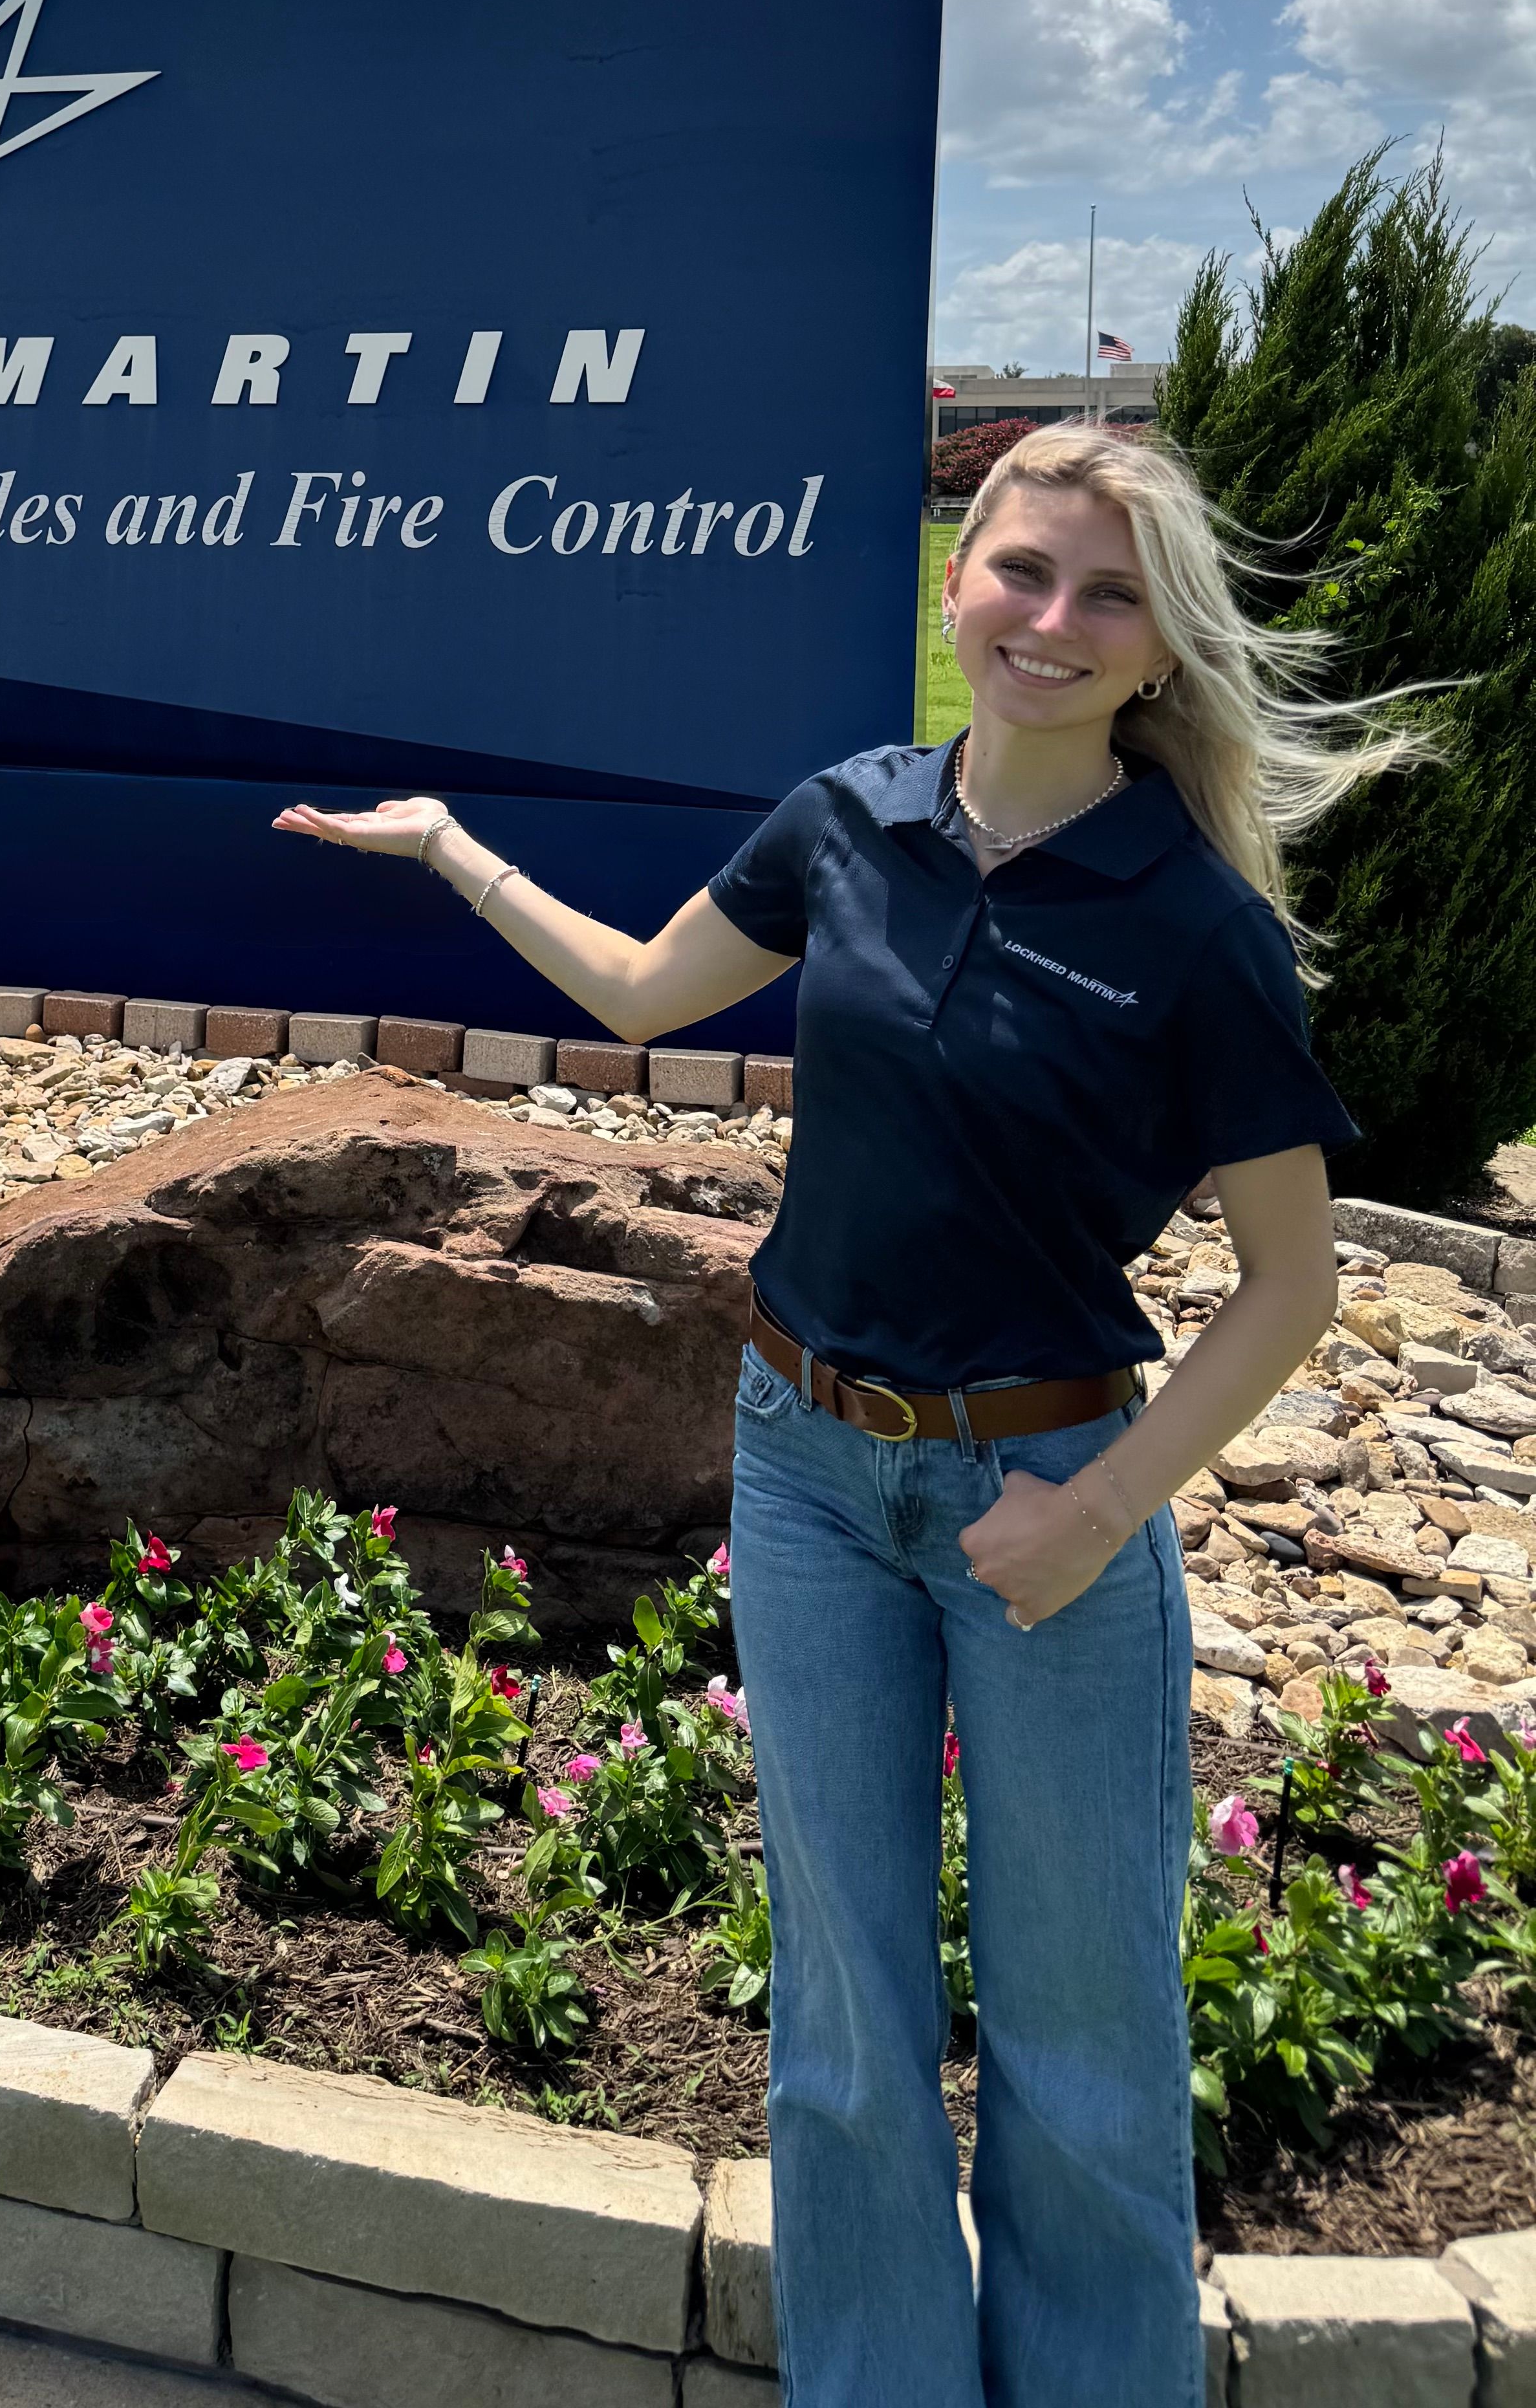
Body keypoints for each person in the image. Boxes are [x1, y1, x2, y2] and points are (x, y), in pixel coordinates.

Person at [274, 420, 1436, 2408]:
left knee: (1081, 2057)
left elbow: (1287, 1289)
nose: (1048, 622)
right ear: (956, 577)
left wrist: (1094, 1515)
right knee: (838, 2030)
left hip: (1050, 1499)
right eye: (1019, 572)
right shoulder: (845, 822)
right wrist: (453, 848)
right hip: (804, 1475)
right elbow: (642, 996)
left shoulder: (1195, 929)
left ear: (1162, 649)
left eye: (1104, 596)